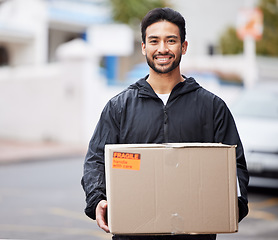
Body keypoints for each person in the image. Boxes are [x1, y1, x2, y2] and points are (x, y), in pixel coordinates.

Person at [81, 7, 249, 240]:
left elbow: (235, 166)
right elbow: (96, 160)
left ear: (184, 46)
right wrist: (97, 199)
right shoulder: (119, 107)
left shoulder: (212, 107)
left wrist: (233, 205)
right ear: (143, 47)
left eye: (171, 40)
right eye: (154, 41)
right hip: (133, 235)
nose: (162, 49)